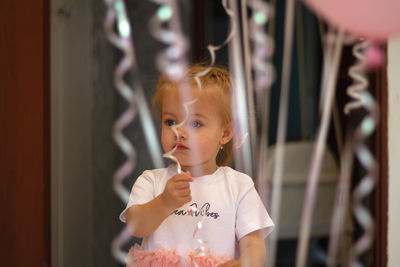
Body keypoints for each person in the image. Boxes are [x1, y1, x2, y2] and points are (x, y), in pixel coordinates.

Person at [120, 64, 274, 267]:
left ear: (225, 134)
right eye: (170, 122)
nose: (179, 132)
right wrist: (164, 203)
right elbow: (135, 225)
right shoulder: (152, 180)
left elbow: (253, 243)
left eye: (195, 123)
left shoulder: (239, 186)